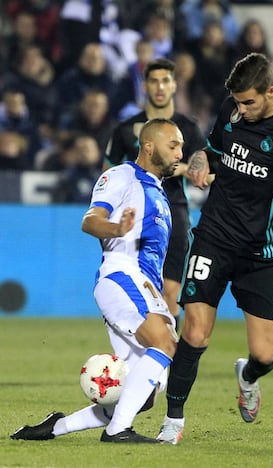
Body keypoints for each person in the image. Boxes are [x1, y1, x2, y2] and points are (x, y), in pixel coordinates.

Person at [156, 53, 273, 445]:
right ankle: (172, 421)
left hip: (261, 251)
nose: (240, 110)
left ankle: (248, 376)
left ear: (271, 91)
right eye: (236, 102)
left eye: (248, 102)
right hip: (214, 237)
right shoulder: (233, 110)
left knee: (265, 355)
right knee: (196, 332)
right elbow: (212, 149)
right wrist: (201, 161)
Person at [10, 118, 184, 443]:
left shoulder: (158, 190)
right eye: (173, 145)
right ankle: (117, 431)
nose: (179, 153)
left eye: (181, 147)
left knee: (143, 395)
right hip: (121, 276)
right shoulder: (121, 176)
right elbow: (90, 221)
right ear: (149, 146)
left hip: (145, 286)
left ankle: (56, 426)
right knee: (165, 343)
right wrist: (116, 229)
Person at [105, 58, 206, 331]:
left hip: (173, 212)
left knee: (169, 296)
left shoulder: (189, 128)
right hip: (134, 216)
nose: (160, 87)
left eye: (165, 80)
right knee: (137, 293)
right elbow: (108, 172)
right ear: (145, 85)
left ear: (174, 85)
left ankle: (164, 367)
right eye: (153, 80)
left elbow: (203, 169)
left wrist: (190, 170)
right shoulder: (126, 129)